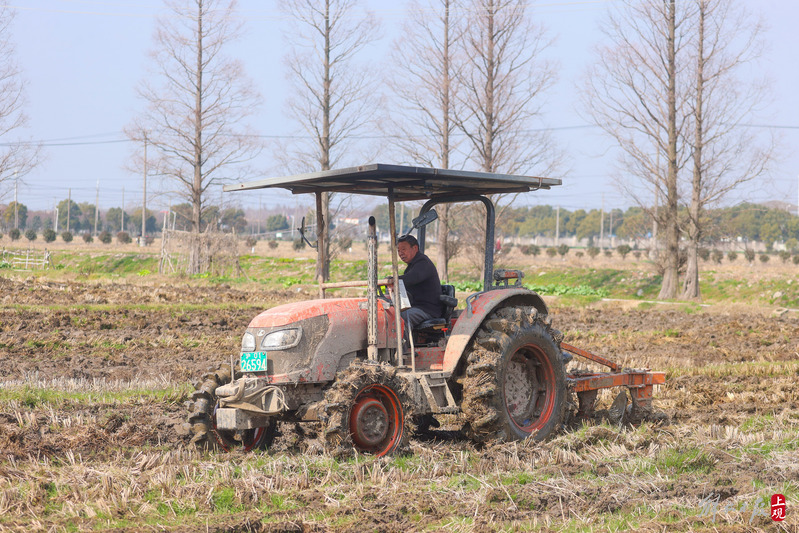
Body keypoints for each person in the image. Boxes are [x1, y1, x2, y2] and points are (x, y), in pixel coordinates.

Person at [391, 234, 442, 329]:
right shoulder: (411, 266)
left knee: (402, 318)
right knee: (390, 314)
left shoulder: (423, 263)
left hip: (427, 309)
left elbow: (412, 278)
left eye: (403, 249)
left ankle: (403, 344)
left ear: (414, 248)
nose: (400, 253)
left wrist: (393, 280)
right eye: (398, 250)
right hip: (415, 307)